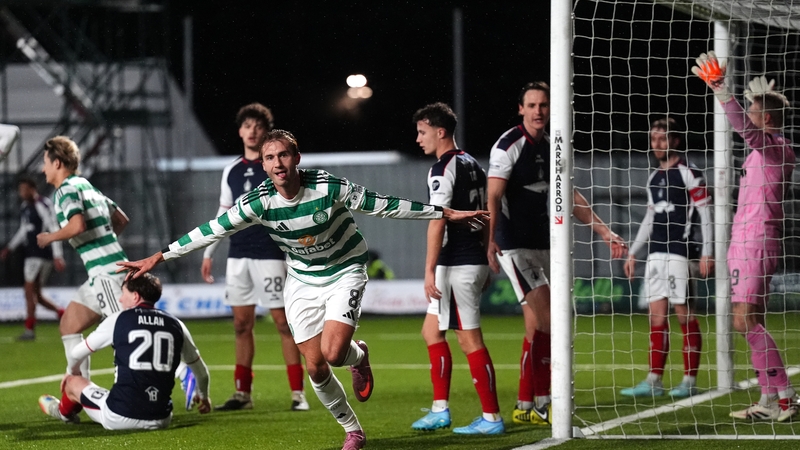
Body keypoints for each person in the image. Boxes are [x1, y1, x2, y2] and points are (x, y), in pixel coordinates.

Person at [118, 129, 489, 450]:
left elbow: (384, 206)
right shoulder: (257, 202)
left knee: (332, 351)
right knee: (316, 366)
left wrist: (444, 213)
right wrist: (159, 257)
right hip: (302, 279)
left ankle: (357, 357)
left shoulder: (327, 187)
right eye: (269, 157)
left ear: (296, 157)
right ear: (262, 165)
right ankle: (353, 429)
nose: (277, 163)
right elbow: (211, 230)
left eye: (283, 154)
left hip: (345, 269)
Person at [486, 82, 627, 426]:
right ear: (521, 109)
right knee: (550, 319)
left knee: (537, 325)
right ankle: (545, 401)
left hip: (544, 243)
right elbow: (492, 197)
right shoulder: (508, 145)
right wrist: (490, 242)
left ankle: (524, 404)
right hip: (514, 245)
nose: (538, 111)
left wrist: (605, 231)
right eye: (532, 105)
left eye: (544, 105)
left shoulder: (551, 146)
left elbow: (572, 196)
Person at [693, 52, 798, 421]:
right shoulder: (764, 151)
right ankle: (770, 400)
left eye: (755, 109)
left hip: (757, 240)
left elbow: (747, 129)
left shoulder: (774, 147)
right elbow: (752, 130)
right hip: (745, 240)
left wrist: (724, 92)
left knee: (744, 320)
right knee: (748, 320)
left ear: (765, 118)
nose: (749, 114)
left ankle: (785, 397)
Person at [200, 103, 307, 412]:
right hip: (238, 256)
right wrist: (210, 251)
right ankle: (242, 394)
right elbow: (224, 212)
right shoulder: (231, 170)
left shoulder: (275, 166)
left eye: (258, 126)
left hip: (269, 254)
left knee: (283, 324)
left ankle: (298, 394)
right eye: (247, 125)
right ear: (240, 132)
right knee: (241, 325)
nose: (252, 130)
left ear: (265, 132)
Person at [409, 102, 503, 435]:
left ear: (440, 131)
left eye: (422, 132)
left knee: (469, 340)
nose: (418, 139)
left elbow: (437, 220)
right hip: (468, 260)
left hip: (457, 265)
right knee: (431, 332)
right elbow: (487, 211)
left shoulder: (443, 168)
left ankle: (491, 417)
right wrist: (485, 255)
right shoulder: (472, 163)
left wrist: (428, 271)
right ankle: (439, 411)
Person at [34, 136, 135, 423]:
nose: (43, 170)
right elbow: (122, 219)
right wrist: (104, 241)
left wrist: (50, 236)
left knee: (123, 335)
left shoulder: (66, 189)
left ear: (57, 163)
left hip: (107, 273)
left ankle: (155, 386)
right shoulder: (86, 185)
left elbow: (76, 224)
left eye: (45, 163)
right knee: (69, 324)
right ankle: (78, 396)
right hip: (104, 271)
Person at [38, 273, 211, 429]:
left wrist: (70, 373)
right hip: (162, 418)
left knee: (73, 383)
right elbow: (202, 373)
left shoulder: (118, 319)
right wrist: (204, 397)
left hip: (120, 416)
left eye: (123, 294)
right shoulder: (177, 324)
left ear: (135, 296)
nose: (120, 299)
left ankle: (63, 412)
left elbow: (76, 353)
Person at [620, 117, 714, 398]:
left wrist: (708, 251)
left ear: (675, 141)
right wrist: (633, 253)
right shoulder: (653, 177)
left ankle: (689, 381)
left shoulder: (690, 173)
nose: (657, 144)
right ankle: (654, 380)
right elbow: (650, 218)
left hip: (680, 253)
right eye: (653, 139)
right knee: (656, 317)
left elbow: (706, 214)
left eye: (662, 138)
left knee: (684, 315)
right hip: (656, 254)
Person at [0, 175, 66, 341]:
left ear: (32, 189)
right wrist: (10, 247)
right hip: (33, 254)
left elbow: (53, 227)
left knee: (29, 292)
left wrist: (58, 255)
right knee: (37, 295)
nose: (21, 193)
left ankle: (29, 330)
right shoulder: (25, 207)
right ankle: (63, 314)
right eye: (20, 190)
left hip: (40, 254)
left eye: (24, 189)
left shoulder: (42, 205)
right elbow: (23, 231)